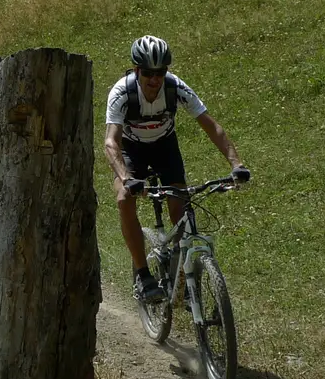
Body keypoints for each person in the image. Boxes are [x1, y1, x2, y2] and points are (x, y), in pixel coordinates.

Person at [104, 35, 249, 303]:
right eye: (147, 73)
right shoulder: (122, 93)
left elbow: (211, 126)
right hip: (131, 150)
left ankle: (182, 276)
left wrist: (236, 164)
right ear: (137, 70)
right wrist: (126, 178)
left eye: (159, 73)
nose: (154, 80)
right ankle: (143, 274)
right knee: (124, 199)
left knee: (180, 206)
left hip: (164, 147)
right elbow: (111, 142)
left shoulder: (175, 88)